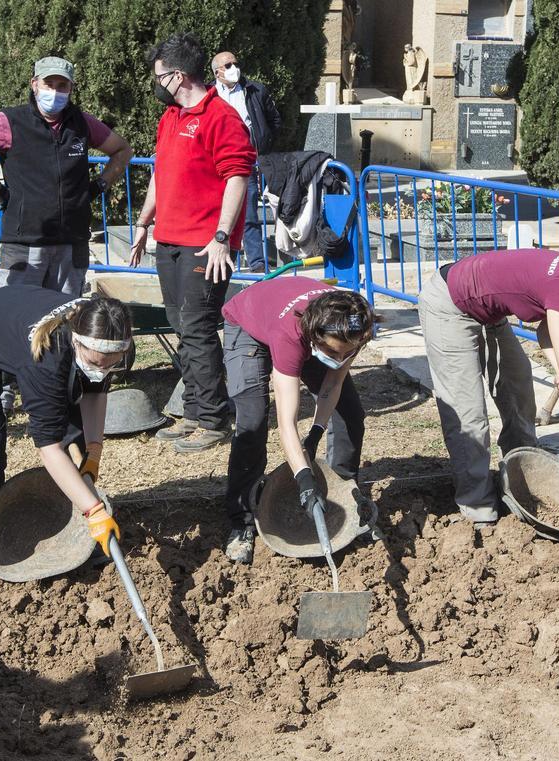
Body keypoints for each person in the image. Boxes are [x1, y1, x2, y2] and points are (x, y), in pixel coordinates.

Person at [418, 225, 559, 525]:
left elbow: (545, 329)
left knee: (518, 387)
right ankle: (478, 506)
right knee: (468, 413)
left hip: (488, 310)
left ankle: (522, 475)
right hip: (450, 303)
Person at [0, 288, 132, 587]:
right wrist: (94, 511)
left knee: (76, 438)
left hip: (10, 335)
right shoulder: (48, 358)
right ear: (76, 341)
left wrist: (93, 449)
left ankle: (78, 535)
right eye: (95, 363)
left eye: (111, 363)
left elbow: (96, 390)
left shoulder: (105, 332)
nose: (102, 370)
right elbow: (48, 447)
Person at [130, 33, 257, 453]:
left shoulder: (221, 117)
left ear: (178, 76)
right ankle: (193, 412)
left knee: (199, 328)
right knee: (183, 328)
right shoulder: (170, 118)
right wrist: (145, 222)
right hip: (168, 240)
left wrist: (222, 238)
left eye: (159, 77)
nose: (155, 84)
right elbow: (160, 174)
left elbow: (237, 177)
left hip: (205, 246)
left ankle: (213, 419)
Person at [0, 55, 133, 297]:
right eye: (49, 84)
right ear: (35, 84)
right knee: (19, 320)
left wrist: (98, 186)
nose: (55, 92)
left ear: (71, 88)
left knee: (63, 318)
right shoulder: (10, 121)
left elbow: (123, 150)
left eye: (62, 86)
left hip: (71, 243)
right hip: (25, 244)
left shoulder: (82, 124)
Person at [219, 279, 375, 563]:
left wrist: (316, 432)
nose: (340, 358)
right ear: (316, 338)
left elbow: (333, 383)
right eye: (332, 353)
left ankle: (346, 498)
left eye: (346, 353)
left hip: (315, 332)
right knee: (252, 422)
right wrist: (304, 477)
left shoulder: (353, 325)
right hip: (249, 323)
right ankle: (241, 522)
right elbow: (286, 421)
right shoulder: (290, 336)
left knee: (350, 415)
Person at [211, 51, 282, 273]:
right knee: (214, 211)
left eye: (236, 63)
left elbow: (274, 120)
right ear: (217, 72)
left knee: (249, 212)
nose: (234, 68)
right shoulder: (208, 94)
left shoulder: (255, 90)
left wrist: (263, 142)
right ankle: (214, 257)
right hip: (215, 162)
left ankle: (257, 263)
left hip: (245, 161)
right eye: (228, 65)